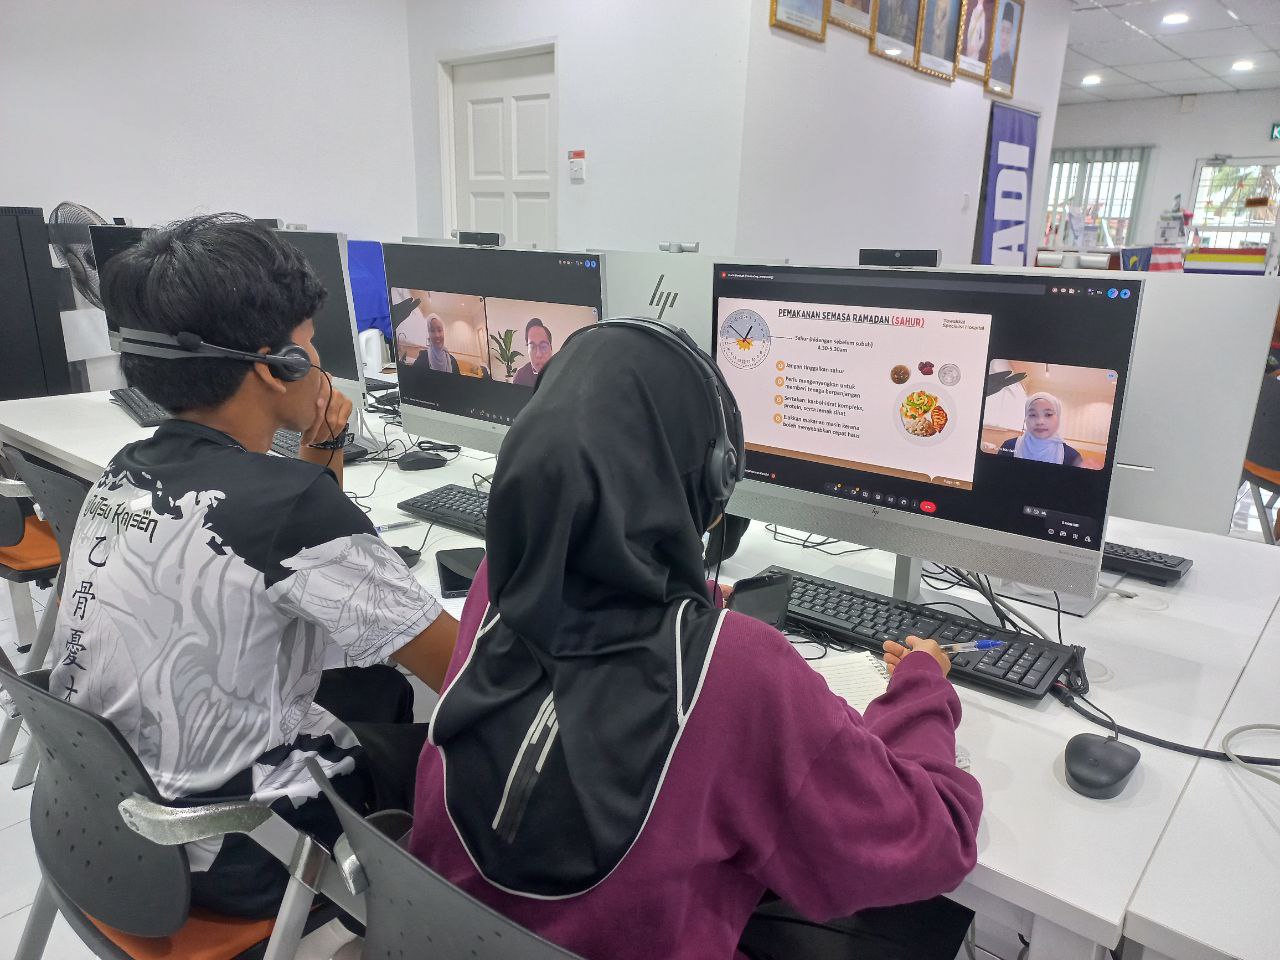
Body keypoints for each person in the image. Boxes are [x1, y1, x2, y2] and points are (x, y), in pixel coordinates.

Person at [408, 323, 982, 960]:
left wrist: (681, 600)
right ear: (713, 487)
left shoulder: (501, 581)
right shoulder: (739, 671)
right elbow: (936, 839)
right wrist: (923, 687)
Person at [50, 214, 458, 918]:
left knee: (377, 691)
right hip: (240, 850)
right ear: (280, 366)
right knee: (474, 745)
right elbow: (462, 674)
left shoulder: (128, 469)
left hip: (110, 821)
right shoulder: (289, 509)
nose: (320, 360)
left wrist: (323, 444)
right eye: (311, 343)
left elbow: (302, 556)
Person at [998, 392, 1085, 467]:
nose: (1040, 422)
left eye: (1048, 414)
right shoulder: (1009, 446)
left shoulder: (1072, 457)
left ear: (1058, 418)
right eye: (1032, 414)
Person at [511, 317, 553, 386]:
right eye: (532, 347)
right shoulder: (521, 376)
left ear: (551, 348)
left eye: (543, 347)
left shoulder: (562, 372)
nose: (538, 355)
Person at [990, 1, 1017, 84]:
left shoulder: (1011, 70)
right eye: (1003, 30)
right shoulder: (992, 65)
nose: (1004, 37)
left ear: (1012, 36)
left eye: (1008, 32)